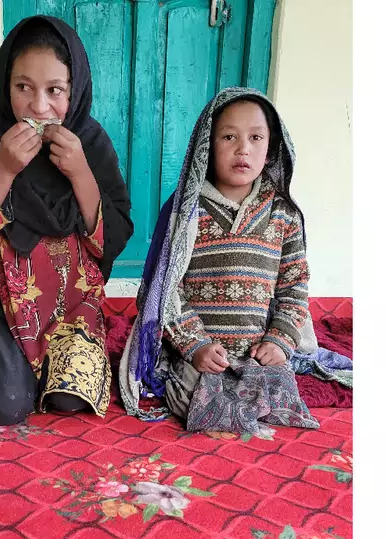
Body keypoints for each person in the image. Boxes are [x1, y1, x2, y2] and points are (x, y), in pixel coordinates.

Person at [0, 16, 134, 426]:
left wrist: (82, 173)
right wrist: (4, 168)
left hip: (70, 297)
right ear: (5, 83)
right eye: (23, 88)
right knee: (7, 404)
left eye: (56, 90)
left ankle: (37, 363)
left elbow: (114, 234)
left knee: (71, 400)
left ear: (76, 89)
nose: (39, 106)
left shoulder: (91, 141)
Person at [120, 87, 348, 437]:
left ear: (271, 148)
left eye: (256, 137)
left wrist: (279, 342)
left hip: (258, 353)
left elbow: (294, 285)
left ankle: (249, 396)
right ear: (207, 146)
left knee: (279, 392)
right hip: (204, 352)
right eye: (229, 137)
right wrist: (195, 346)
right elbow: (167, 290)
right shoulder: (186, 213)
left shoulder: (283, 214)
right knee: (191, 396)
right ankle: (216, 399)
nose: (243, 149)